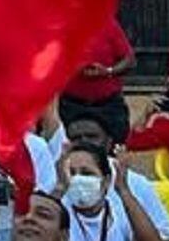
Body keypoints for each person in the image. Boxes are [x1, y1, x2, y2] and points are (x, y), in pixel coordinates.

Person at [55, 16, 136, 149]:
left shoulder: (108, 24)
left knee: (117, 148)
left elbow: (129, 60)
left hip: (107, 105)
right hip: (73, 105)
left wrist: (108, 71)